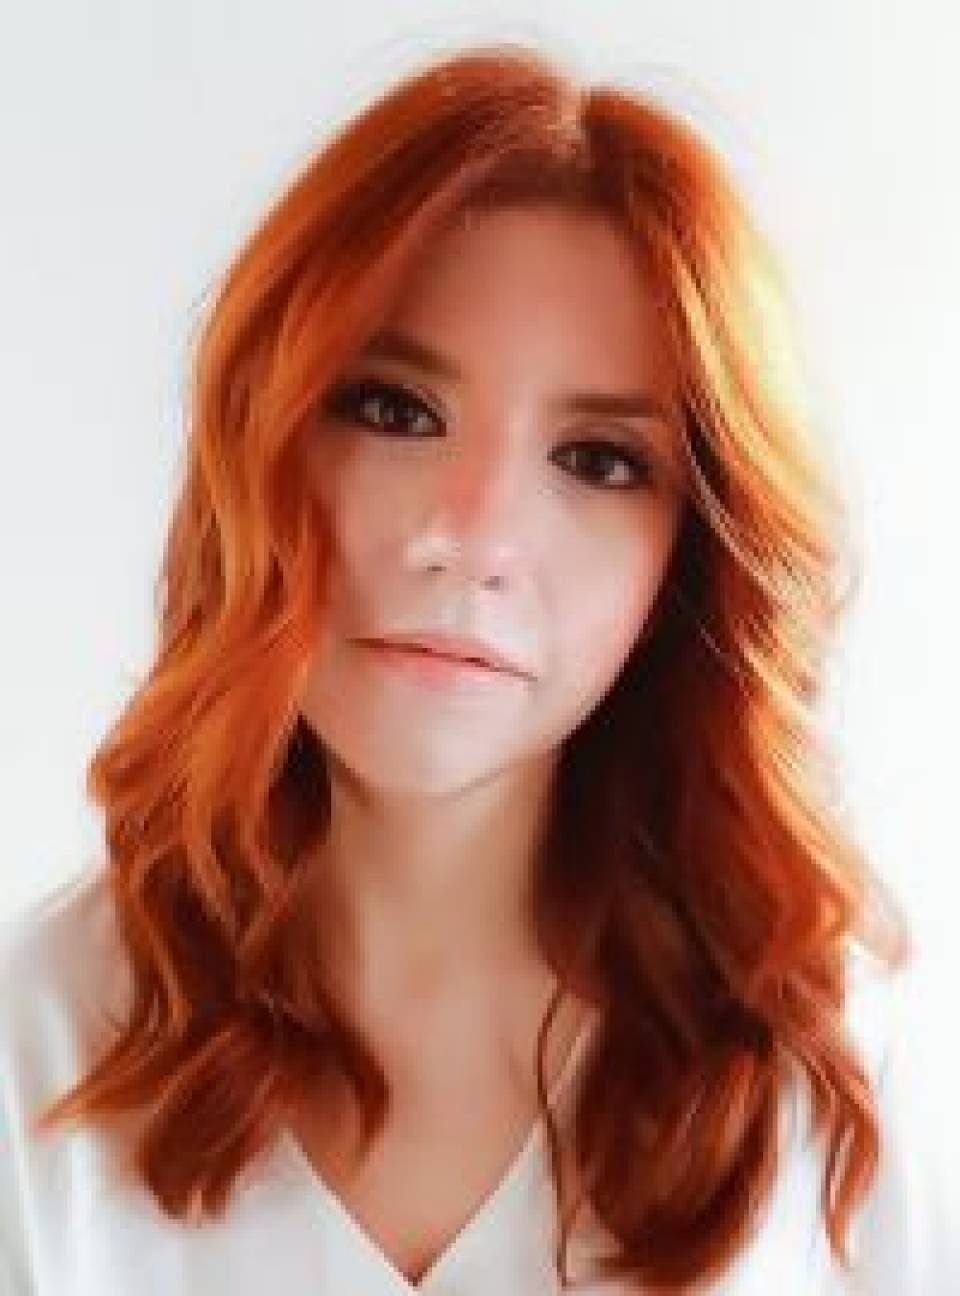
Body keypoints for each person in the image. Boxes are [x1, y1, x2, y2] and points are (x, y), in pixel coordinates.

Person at [0, 38, 954, 1295]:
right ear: (258, 440)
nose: (473, 539)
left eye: (600, 460)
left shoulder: (838, 1074)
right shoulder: (41, 1046)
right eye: (394, 410)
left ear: (690, 557)